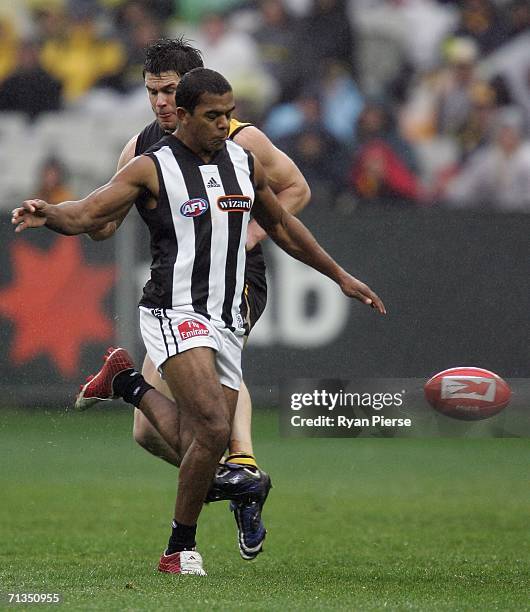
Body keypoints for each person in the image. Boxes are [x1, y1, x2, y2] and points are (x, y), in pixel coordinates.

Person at [12, 68, 386, 575]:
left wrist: (340, 276)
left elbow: (281, 225)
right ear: (184, 117)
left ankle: (126, 383)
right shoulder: (151, 167)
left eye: (228, 113)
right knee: (213, 427)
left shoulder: (243, 161)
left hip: (229, 317)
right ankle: (180, 551)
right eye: (214, 116)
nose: (224, 123)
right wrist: (48, 212)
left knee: (200, 443)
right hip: (175, 309)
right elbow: (87, 213)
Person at [88, 37, 312, 561]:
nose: (160, 103)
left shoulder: (238, 139)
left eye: (169, 91)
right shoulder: (140, 148)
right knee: (147, 432)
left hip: (236, 281)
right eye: (152, 92)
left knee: (212, 380)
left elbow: (296, 188)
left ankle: (243, 467)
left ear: (190, 92)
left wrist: (250, 232)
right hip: (181, 285)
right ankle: (237, 484)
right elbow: (104, 222)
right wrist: (83, 220)